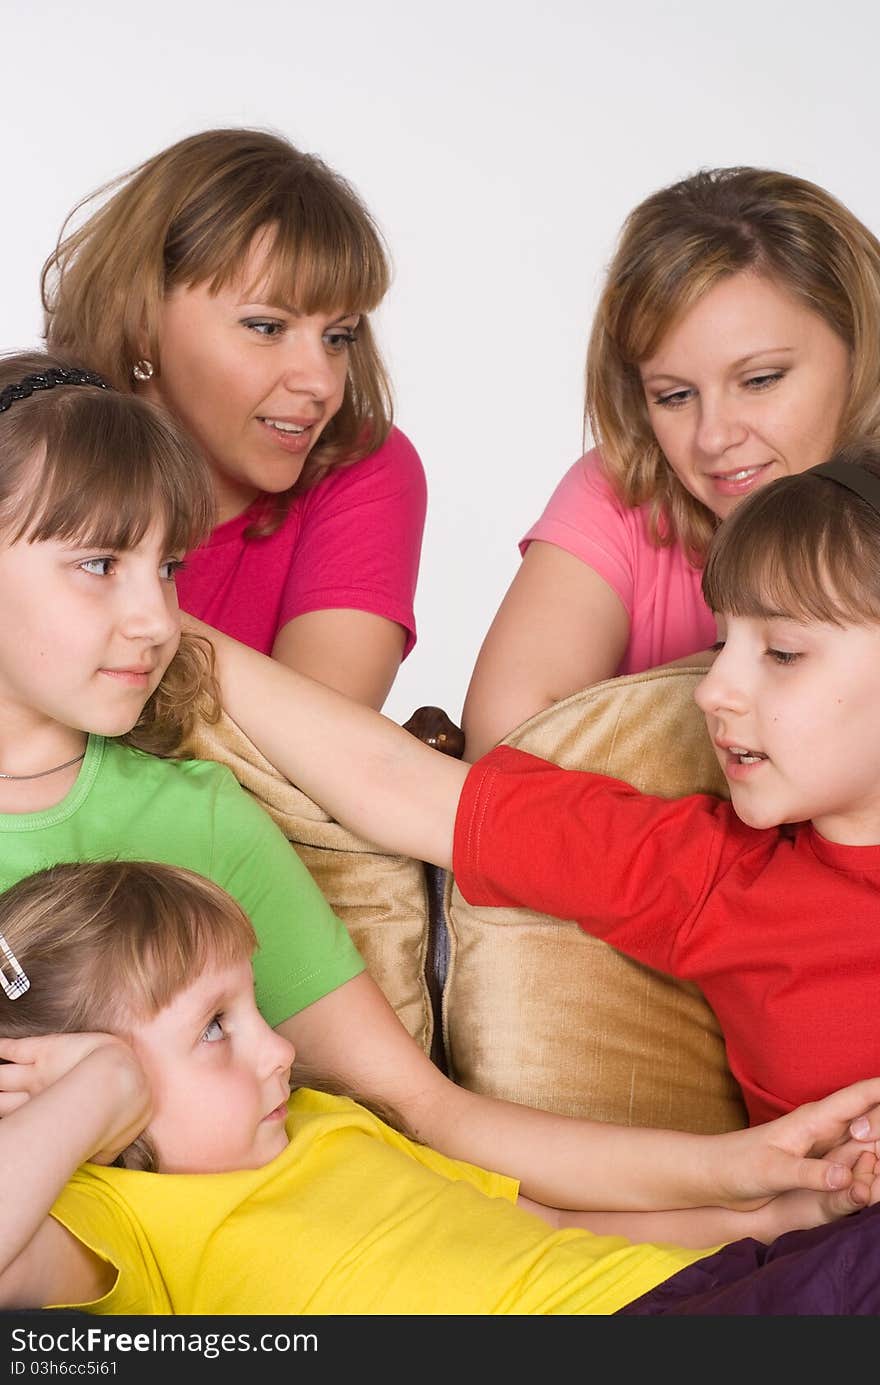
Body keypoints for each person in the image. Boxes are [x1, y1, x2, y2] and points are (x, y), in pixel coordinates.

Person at [5, 347, 867, 1226]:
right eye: (102, 563)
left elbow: (422, 1116)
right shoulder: (712, 876)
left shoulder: (200, 820)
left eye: (170, 569)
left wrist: (758, 1193)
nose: (158, 621)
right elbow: (413, 790)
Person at [191, 440, 880, 1130]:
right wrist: (169, 627)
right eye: (722, 642)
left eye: (782, 652)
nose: (713, 690)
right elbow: (399, 783)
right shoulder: (709, 877)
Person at [2, 860, 879, 1316]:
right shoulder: (115, 1220)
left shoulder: (322, 1119)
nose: (279, 1048)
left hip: (685, 1289)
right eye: (214, 1028)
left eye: (254, 1005)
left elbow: (556, 1225)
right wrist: (98, 1090)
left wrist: (786, 1216)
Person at [461, 165, 880, 758]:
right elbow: (507, 747)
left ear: (862, 350)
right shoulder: (623, 489)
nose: (713, 437)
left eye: (760, 380)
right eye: (675, 396)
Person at [41, 126, 427, 710]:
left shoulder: (363, 469)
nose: (320, 382)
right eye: (267, 327)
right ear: (142, 317)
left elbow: (315, 762)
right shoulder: (27, 461)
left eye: (338, 336)